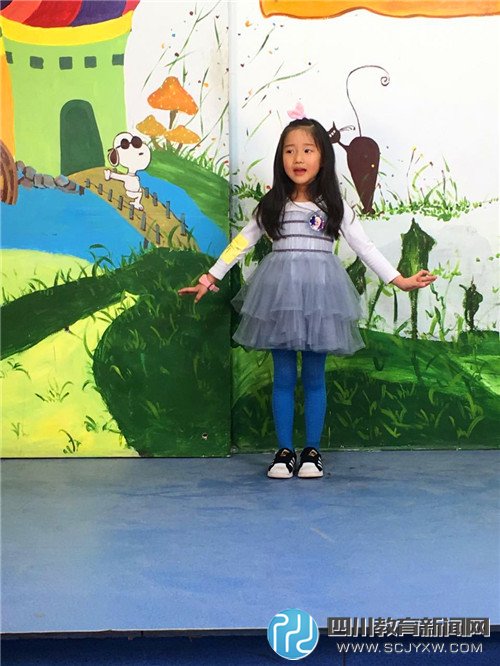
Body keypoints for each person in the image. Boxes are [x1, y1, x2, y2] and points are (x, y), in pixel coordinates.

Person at [179, 118, 436, 479]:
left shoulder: (335, 206)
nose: (298, 158)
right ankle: (284, 452)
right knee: (284, 376)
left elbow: (364, 247)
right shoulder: (272, 204)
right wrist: (210, 277)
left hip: (321, 298)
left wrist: (399, 280)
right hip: (280, 298)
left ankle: (312, 452)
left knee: (315, 376)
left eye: (307, 150)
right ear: (280, 158)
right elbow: (243, 242)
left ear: (323, 158)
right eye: (289, 150)